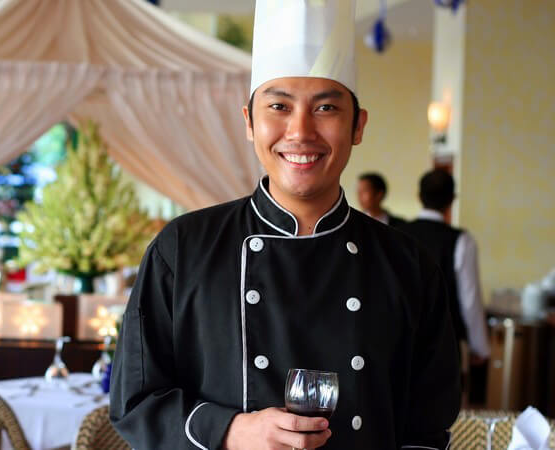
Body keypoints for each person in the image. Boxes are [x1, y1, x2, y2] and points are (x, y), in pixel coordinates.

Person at [109, 1, 460, 448]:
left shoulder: (407, 265)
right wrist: (231, 430)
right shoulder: (183, 248)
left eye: (326, 108)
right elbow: (134, 401)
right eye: (279, 105)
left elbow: (427, 425)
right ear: (249, 122)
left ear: (358, 126)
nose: (300, 132)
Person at [401, 169, 491, 367]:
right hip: (442, 345)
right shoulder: (461, 240)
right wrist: (480, 347)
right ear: (452, 199)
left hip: (397, 342)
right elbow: (470, 299)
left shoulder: (397, 234)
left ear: (418, 197)